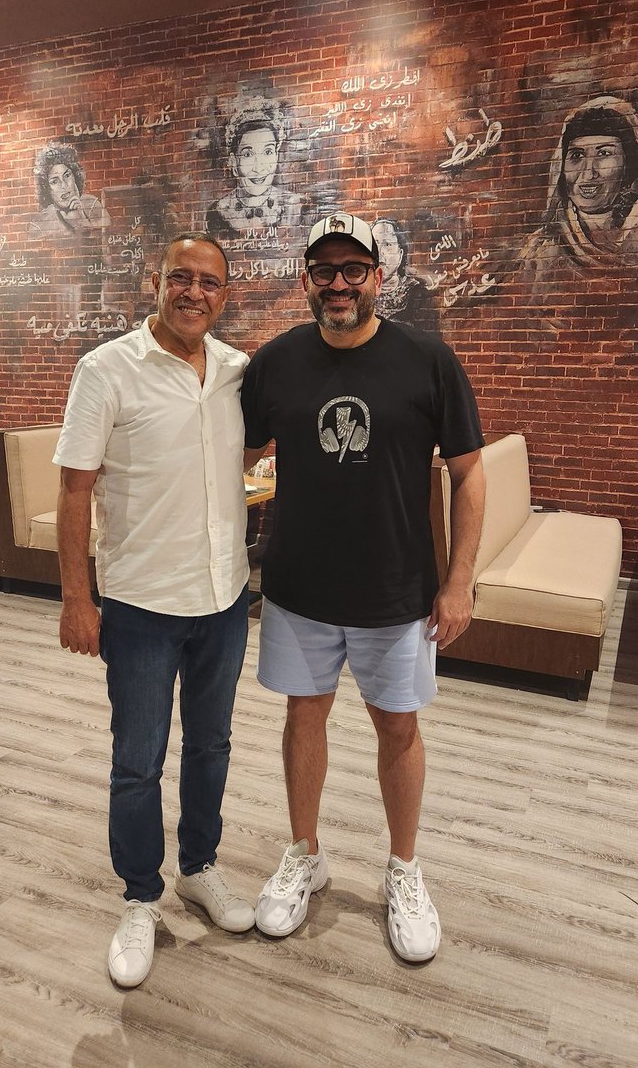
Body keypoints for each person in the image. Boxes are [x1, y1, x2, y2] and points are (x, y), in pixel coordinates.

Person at [241, 212, 485, 963]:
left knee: (398, 729)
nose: (339, 283)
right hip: (298, 588)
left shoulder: (427, 359)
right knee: (303, 719)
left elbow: (469, 474)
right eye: (325, 271)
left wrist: (459, 582)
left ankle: (403, 869)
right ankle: (305, 855)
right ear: (307, 281)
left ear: (379, 277)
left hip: (397, 589)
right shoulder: (275, 363)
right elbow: (233, 458)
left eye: (354, 269)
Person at [54, 231, 255, 989]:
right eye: (181, 277)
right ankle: (140, 896)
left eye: (209, 282)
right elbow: (74, 490)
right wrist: (78, 598)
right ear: (155, 281)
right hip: (140, 605)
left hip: (224, 598)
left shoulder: (237, 371)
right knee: (137, 762)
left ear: (225, 295)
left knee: (212, 745)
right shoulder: (106, 369)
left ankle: (199, 868)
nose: (193, 292)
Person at [519, 95, 638, 334]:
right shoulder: (539, 251)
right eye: (576, 156)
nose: (588, 173)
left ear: (628, 163)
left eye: (604, 154)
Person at [206, 97, 303, 236]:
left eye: (267, 152)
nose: (258, 168)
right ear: (233, 161)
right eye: (248, 154)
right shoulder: (217, 213)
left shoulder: (295, 207)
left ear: (276, 155)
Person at [29, 142, 110, 239]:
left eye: (67, 176)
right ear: (46, 189)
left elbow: (107, 239)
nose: (64, 185)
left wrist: (82, 219)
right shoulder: (39, 225)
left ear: (75, 176)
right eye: (54, 181)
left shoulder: (92, 204)